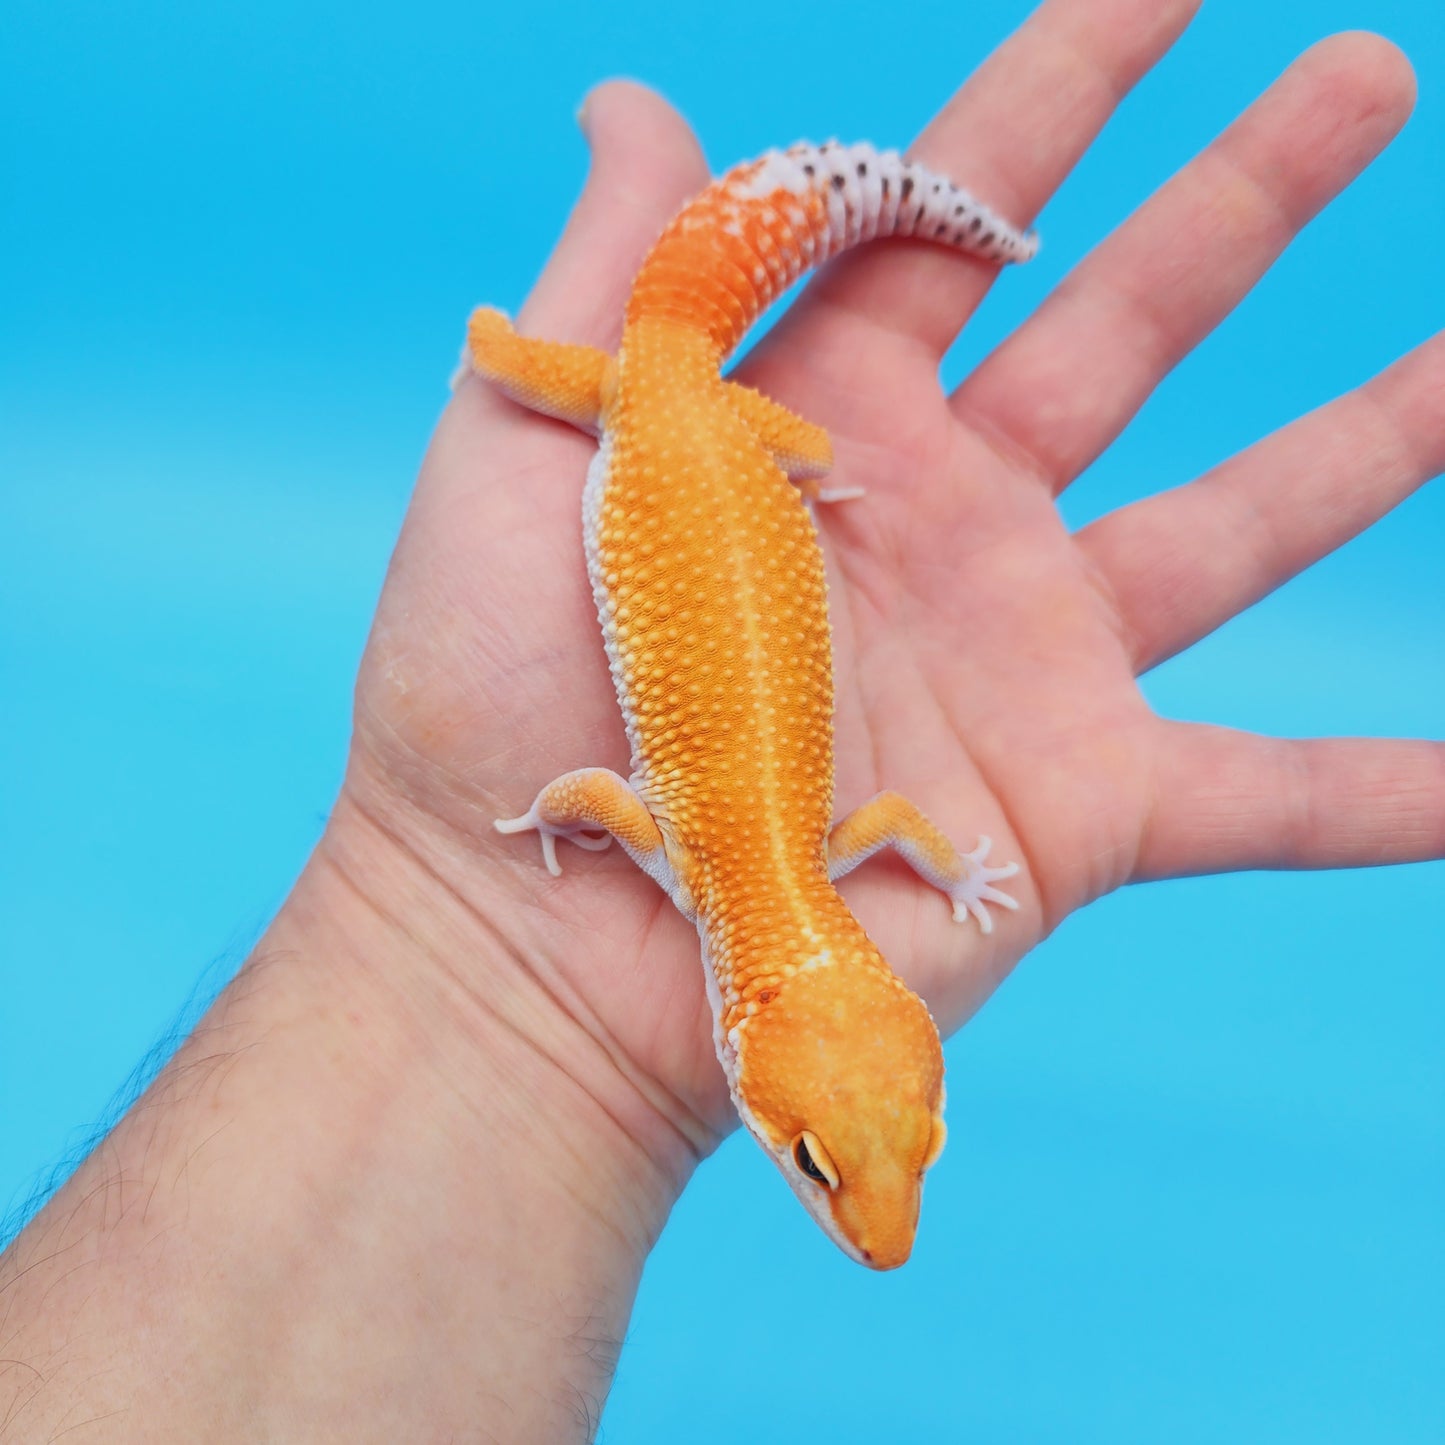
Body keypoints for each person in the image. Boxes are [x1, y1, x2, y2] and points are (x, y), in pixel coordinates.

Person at [2, 1, 1440, 1437]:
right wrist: (491, 835)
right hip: (662, 403)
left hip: (726, 428)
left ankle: (797, 248)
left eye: (866, 1157)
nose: (875, 1214)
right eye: (828, 1160)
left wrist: (935, 865)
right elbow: (599, 801)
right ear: (772, 1026)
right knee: (528, 359)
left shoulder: (799, 853)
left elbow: (846, 826)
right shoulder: (710, 856)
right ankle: (543, 340)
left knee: (656, 366)